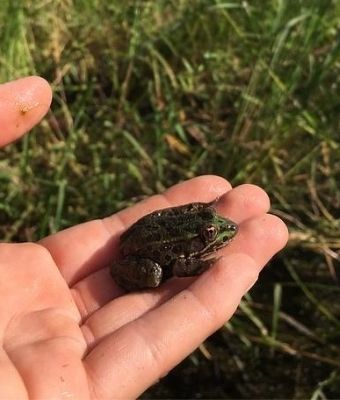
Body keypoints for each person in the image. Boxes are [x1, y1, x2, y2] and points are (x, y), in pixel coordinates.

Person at [0, 76, 288, 399]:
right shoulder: (188, 250)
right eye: (211, 232)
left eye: (213, 226)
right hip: (144, 256)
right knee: (154, 277)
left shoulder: (206, 219)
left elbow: (186, 220)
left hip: (142, 232)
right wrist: (205, 267)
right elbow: (178, 269)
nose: (222, 229)